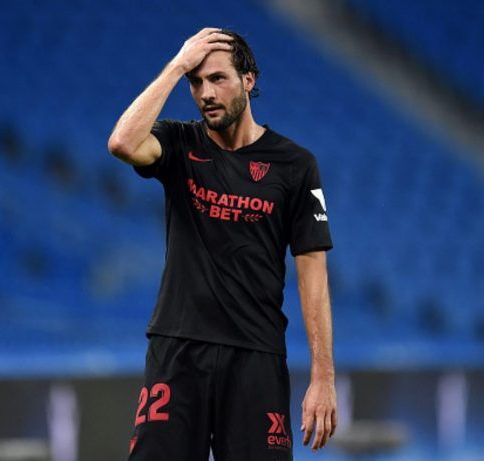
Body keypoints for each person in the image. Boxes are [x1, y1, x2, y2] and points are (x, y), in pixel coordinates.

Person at [108, 27, 337, 460]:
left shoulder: (295, 166)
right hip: (178, 351)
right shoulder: (178, 143)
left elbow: (313, 274)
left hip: (255, 358)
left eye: (218, 79)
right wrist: (177, 65)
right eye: (196, 83)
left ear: (248, 80)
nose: (206, 93)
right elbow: (122, 142)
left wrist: (323, 377)